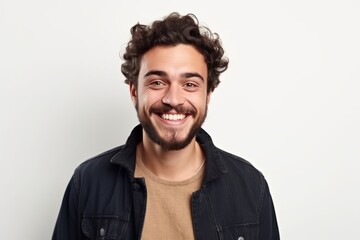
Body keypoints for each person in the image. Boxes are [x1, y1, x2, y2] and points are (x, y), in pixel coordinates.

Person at [52, 12, 280, 240]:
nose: (173, 99)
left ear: (207, 94)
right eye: (157, 82)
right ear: (134, 91)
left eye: (189, 84)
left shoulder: (251, 187)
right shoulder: (89, 183)